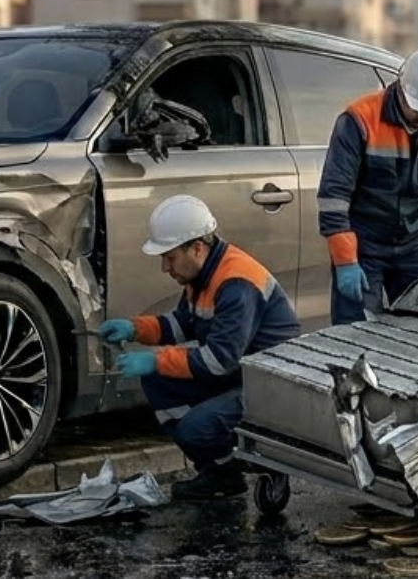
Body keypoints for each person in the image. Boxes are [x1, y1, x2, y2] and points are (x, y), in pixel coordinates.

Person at [98, 195, 301, 500]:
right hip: (245, 374)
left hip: (271, 387)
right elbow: (184, 324)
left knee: (195, 428)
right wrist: (135, 328)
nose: (165, 268)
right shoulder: (204, 273)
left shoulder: (236, 283)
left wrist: (155, 360)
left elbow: (220, 360)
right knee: (159, 383)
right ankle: (220, 472)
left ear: (196, 248)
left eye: (169, 257)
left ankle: (260, 461)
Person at [318, 47, 418, 325]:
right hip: (365, 244)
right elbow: (334, 197)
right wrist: (345, 260)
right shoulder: (360, 120)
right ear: (402, 91)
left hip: (413, 244)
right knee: (355, 332)